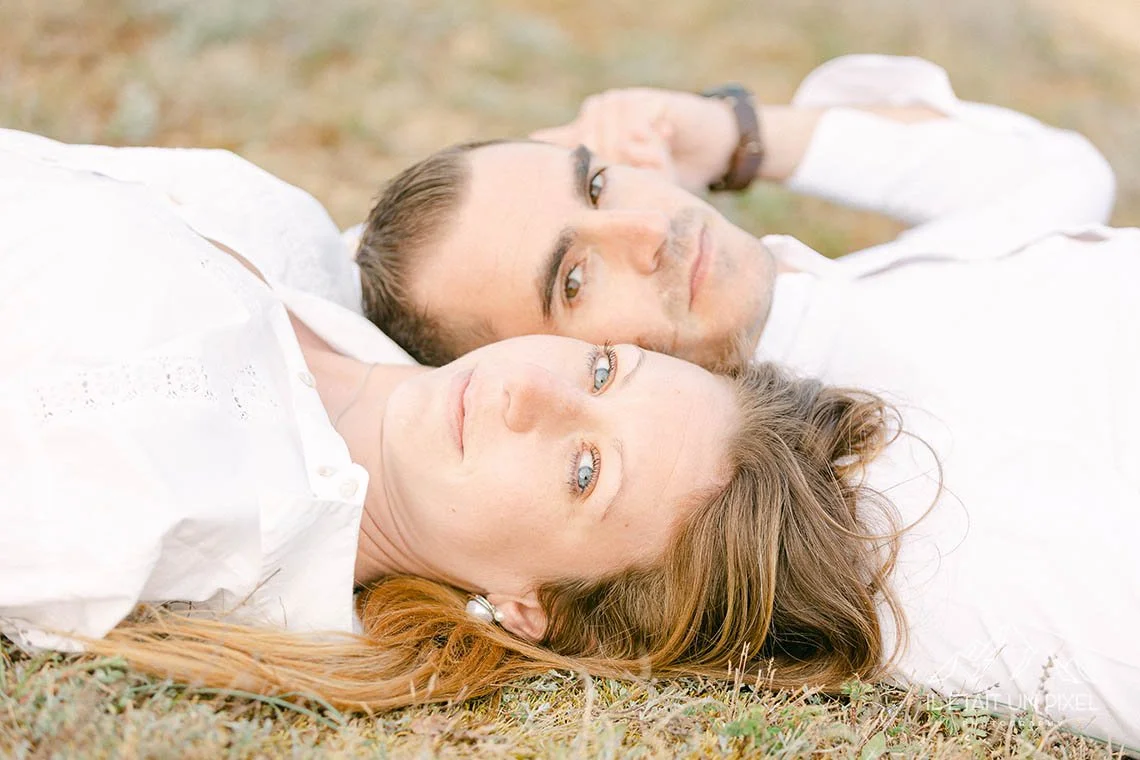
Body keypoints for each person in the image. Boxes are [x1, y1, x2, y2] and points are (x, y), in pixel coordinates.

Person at [353, 56, 1139, 749]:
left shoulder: (820, 315)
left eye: (595, 183)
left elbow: (1061, 177)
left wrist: (735, 135)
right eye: (576, 280)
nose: (646, 228)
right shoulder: (915, 493)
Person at [0, 130, 906, 712]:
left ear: (528, 606)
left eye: (585, 470)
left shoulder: (172, 512)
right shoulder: (300, 238)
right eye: (601, 368)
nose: (527, 393)